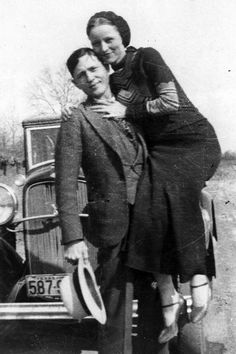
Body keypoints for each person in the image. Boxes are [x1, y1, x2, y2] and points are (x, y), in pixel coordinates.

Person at [85, 11, 222, 343]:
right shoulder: (114, 81)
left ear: (123, 37)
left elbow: (170, 101)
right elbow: (103, 107)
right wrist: (73, 108)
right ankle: (167, 292)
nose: (103, 48)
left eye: (109, 40)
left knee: (175, 192)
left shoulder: (148, 57)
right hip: (159, 152)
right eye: (95, 43)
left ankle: (198, 279)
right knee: (145, 209)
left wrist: (128, 110)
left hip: (194, 141)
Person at [55, 48, 169, 354]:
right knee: (115, 313)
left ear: (106, 68)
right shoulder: (76, 119)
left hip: (149, 222)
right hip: (113, 227)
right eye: (81, 74)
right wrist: (72, 237)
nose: (90, 77)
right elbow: (65, 181)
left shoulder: (132, 108)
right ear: (75, 83)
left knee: (156, 308)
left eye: (93, 69)